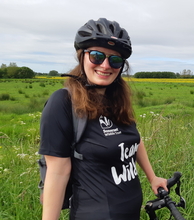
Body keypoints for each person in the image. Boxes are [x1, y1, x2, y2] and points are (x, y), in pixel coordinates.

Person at [39, 18, 168, 220]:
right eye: (97, 56)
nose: (106, 65)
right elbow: (57, 174)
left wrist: (152, 177)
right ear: (82, 57)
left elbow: (133, 140)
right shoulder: (63, 102)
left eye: (115, 60)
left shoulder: (116, 99)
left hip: (131, 212)